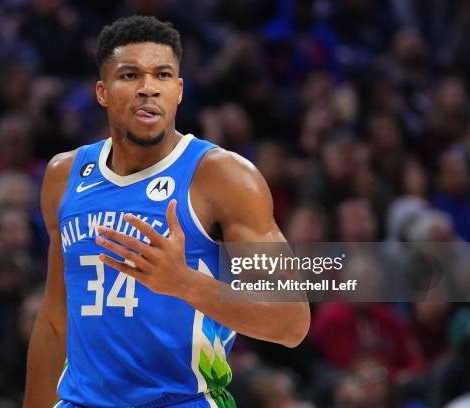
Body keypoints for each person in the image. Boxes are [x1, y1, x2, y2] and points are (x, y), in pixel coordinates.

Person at [24, 15, 310, 408]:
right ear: (103, 92)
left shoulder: (223, 176)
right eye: (129, 76)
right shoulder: (64, 175)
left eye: (162, 75)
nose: (147, 88)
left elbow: (291, 322)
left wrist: (184, 283)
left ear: (178, 91)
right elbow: (56, 323)